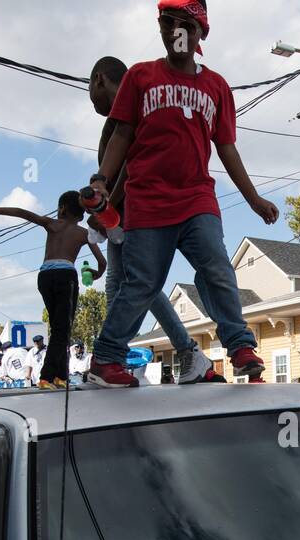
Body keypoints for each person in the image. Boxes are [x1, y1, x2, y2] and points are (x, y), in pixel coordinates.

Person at [85, 2, 276, 387]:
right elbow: (121, 134)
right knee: (143, 284)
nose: (176, 31)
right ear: (160, 29)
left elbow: (226, 148)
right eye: (168, 23)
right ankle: (106, 360)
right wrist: (101, 181)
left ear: (200, 32)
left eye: (185, 25)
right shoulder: (141, 77)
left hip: (196, 198)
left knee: (217, 266)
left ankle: (239, 346)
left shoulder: (217, 87)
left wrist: (254, 199)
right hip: (148, 201)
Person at [87, 55, 214, 386]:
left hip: (141, 211)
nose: (92, 99)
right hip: (125, 212)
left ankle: (181, 351)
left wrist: (107, 207)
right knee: (124, 281)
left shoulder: (135, 103)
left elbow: (132, 163)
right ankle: (110, 360)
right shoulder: (122, 112)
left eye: (90, 88)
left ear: (99, 78)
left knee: (139, 281)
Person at [0, 194, 106, 389]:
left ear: (61, 209)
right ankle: (47, 376)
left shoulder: (52, 224)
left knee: (59, 329)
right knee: (63, 329)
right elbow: (102, 262)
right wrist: (96, 274)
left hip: (45, 276)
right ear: (80, 213)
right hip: (65, 276)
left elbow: (22, 213)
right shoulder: (83, 233)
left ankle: (60, 376)